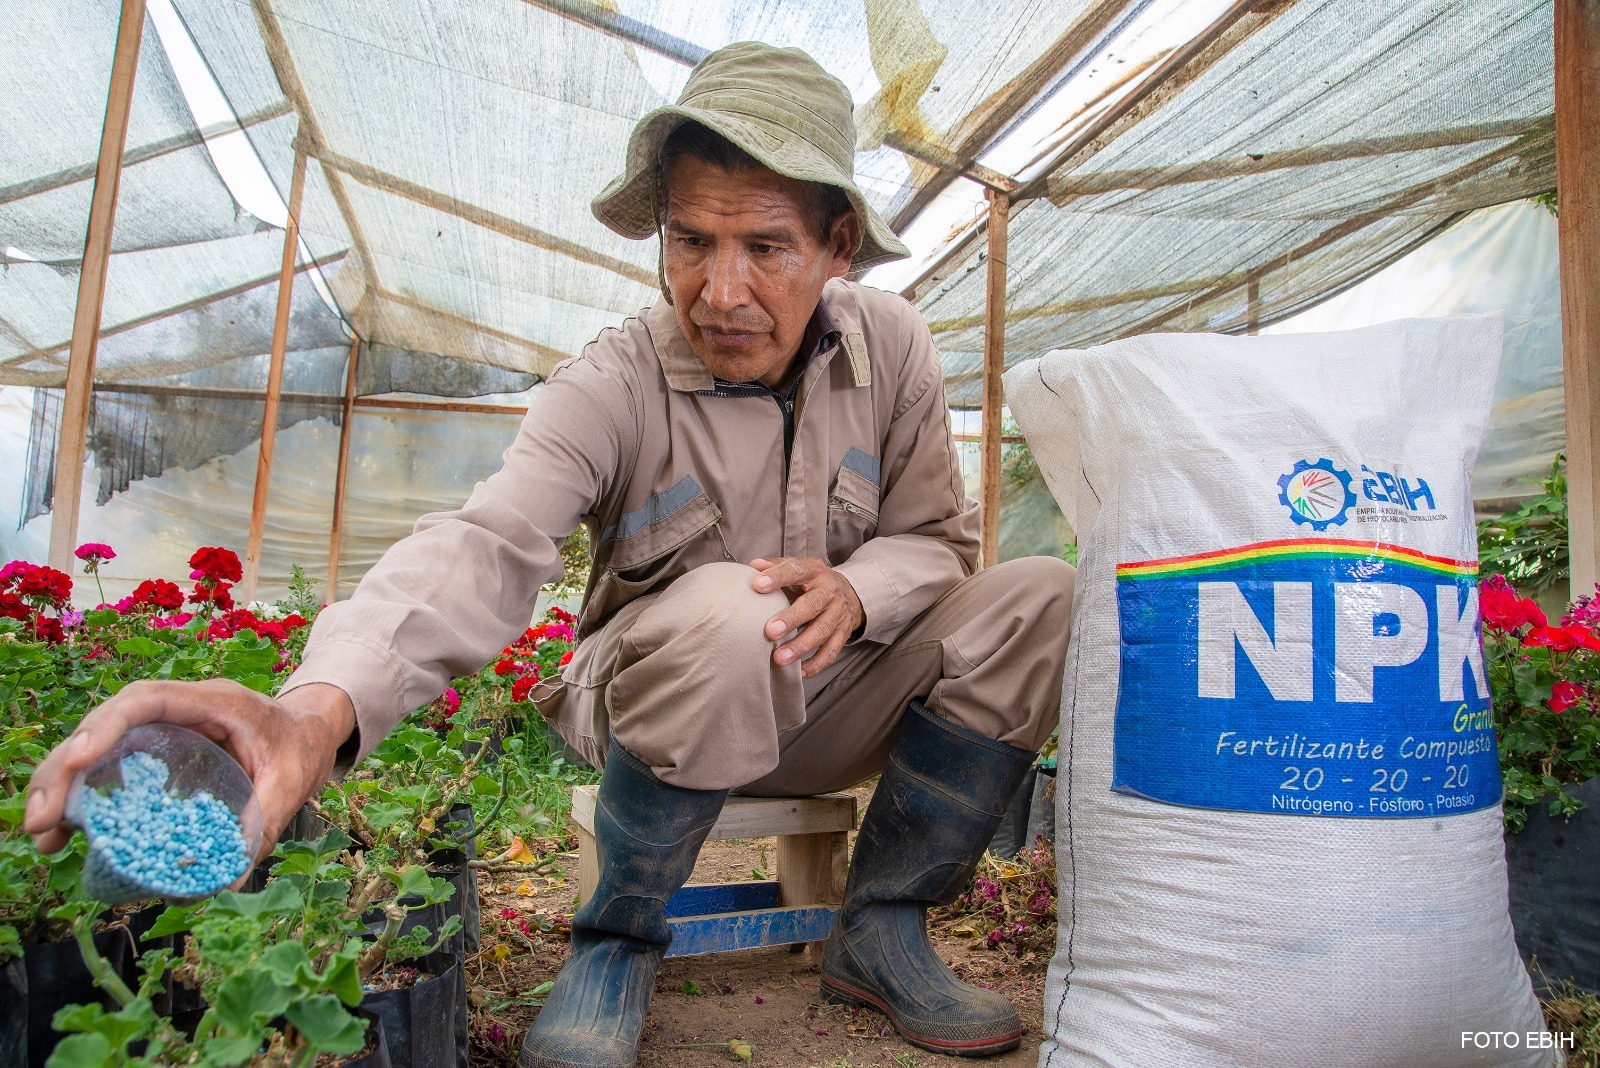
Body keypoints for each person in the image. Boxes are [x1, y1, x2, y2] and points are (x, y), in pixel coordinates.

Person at [25, 41, 1074, 1067]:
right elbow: (485, 543)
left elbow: (938, 544)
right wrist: (312, 709)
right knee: (729, 607)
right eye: (689, 241)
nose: (718, 290)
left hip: (829, 700)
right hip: (654, 710)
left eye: (763, 246)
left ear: (838, 243)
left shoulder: (891, 351)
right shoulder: (613, 382)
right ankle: (617, 939)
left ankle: (881, 928)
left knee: (1040, 596)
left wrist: (857, 586)